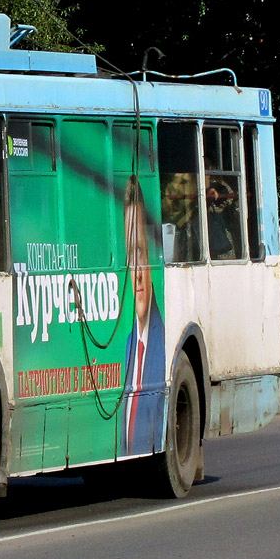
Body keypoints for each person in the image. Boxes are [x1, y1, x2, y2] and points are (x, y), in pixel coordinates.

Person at [120, 176, 166, 456]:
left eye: (140, 252)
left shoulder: (166, 342)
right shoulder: (127, 345)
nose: (136, 272)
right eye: (128, 257)